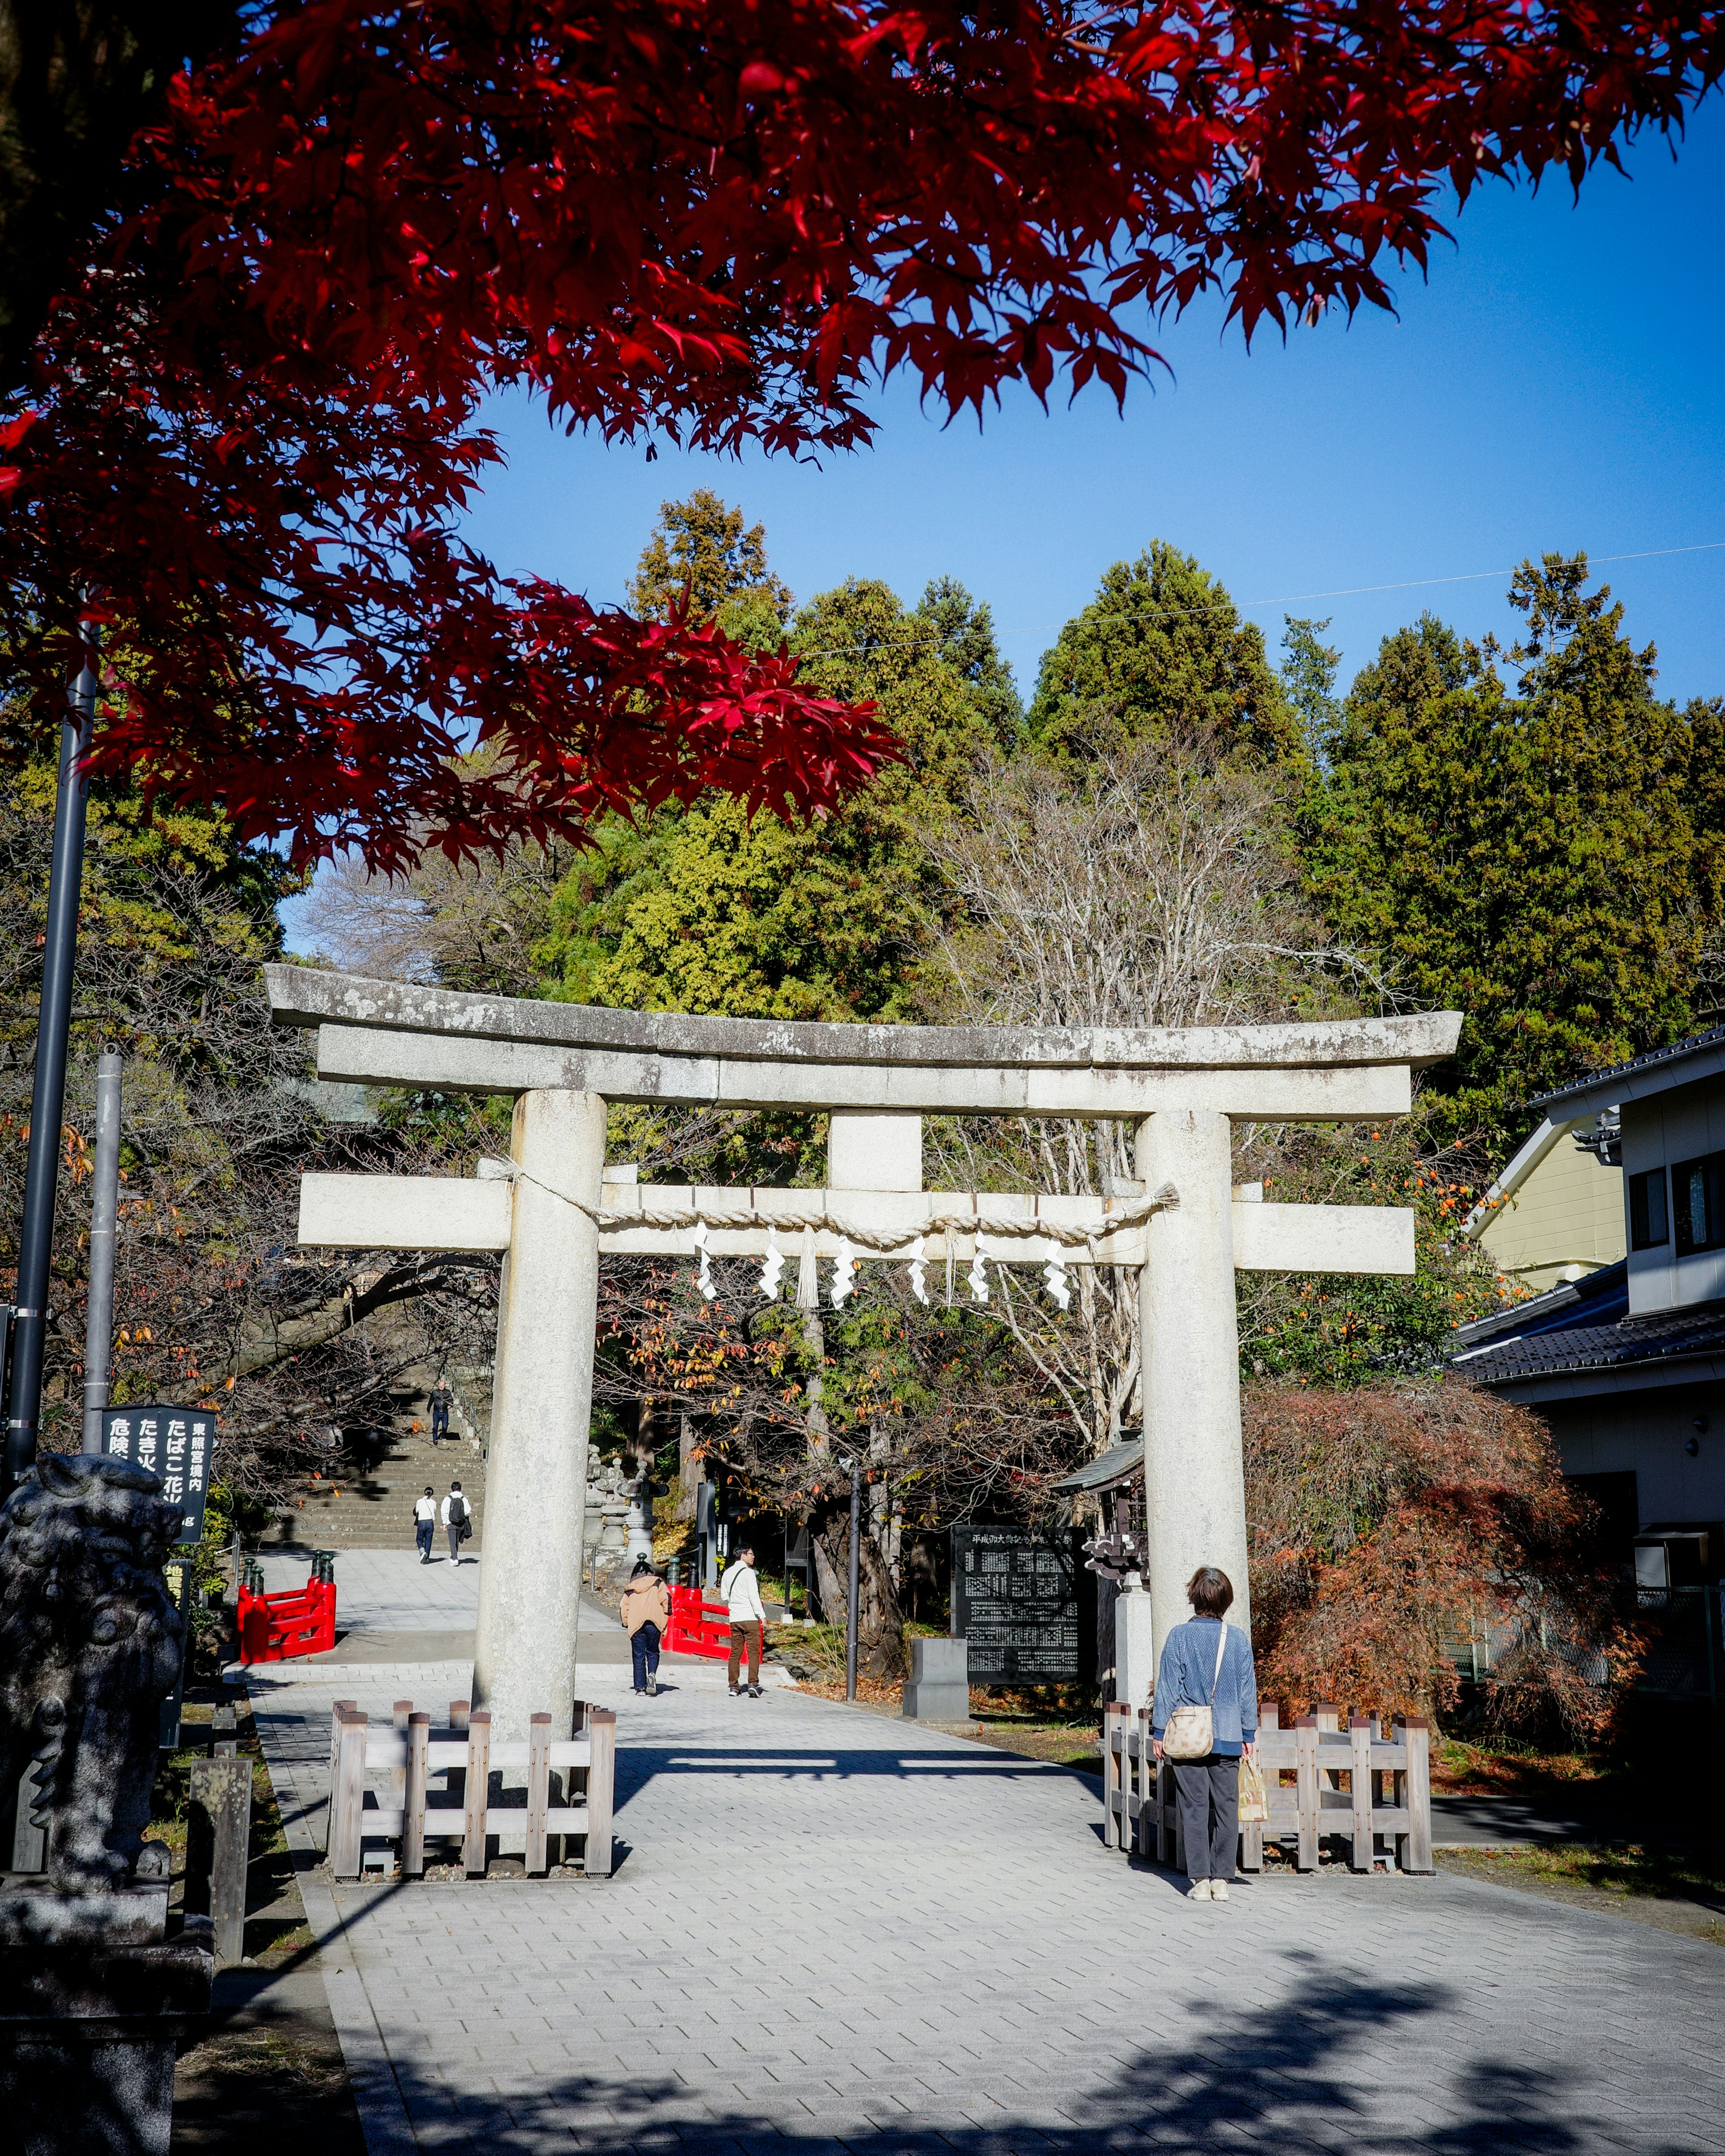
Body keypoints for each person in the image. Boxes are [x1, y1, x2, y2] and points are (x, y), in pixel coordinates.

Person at [1150, 1564, 1258, 1902]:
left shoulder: (1179, 1637)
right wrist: (1248, 1734)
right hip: (1228, 1733)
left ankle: (1199, 1880)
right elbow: (1247, 1690)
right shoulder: (1238, 1639)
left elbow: (1168, 1687)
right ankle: (1223, 1879)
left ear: (1194, 1598)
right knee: (1227, 1806)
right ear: (1226, 1601)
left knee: (1194, 1806)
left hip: (1189, 1734)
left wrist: (1158, 1730)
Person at [720, 1539, 767, 1697]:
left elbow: (725, 1596)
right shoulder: (748, 1573)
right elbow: (754, 1596)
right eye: (751, 1554)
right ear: (743, 1555)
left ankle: (734, 1686)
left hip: (735, 1618)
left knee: (735, 1653)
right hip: (750, 1618)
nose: (753, 1557)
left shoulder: (727, 1573)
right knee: (753, 1652)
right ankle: (753, 1684)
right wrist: (762, 1615)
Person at [620, 1558, 672, 1695]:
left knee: (638, 1655)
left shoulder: (630, 1588)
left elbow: (624, 1608)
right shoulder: (657, 1583)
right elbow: (666, 1599)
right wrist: (666, 1613)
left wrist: (626, 1622)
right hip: (654, 1622)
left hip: (636, 1624)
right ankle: (652, 1674)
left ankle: (641, 1688)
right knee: (653, 1651)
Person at [442, 1479, 471, 1564]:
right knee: (457, 1541)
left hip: (450, 1522)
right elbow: (468, 1511)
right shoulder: (464, 1499)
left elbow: (444, 1511)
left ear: (452, 1489)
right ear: (460, 1489)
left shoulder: (448, 1499)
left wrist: (444, 1523)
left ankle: (455, 1559)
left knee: (452, 1541)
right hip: (461, 1523)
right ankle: (453, 1557)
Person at [413, 1484, 437, 1564]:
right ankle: (427, 1558)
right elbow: (434, 1510)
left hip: (422, 1522)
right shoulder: (434, 1502)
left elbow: (417, 1511)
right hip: (430, 1522)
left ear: (424, 1493)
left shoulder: (420, 1501)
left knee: (419, 1539)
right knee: (428, 1541)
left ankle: (423, 1552)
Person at [429, 1377, 453, 1446]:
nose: (441, 1386)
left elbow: (451, 1400)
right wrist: (428, 1408)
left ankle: (443, 1436)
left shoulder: (448, 1392)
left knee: (445, 1426)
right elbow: (431, 1401)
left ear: (445, 1385)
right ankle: (435, 1441)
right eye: (440, 1384)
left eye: (443, 1385)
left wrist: (450, 1405)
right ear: (438, 1385)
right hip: (437, 1412)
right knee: (435, 1427)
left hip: (445, 1412)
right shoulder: (435, 1392)